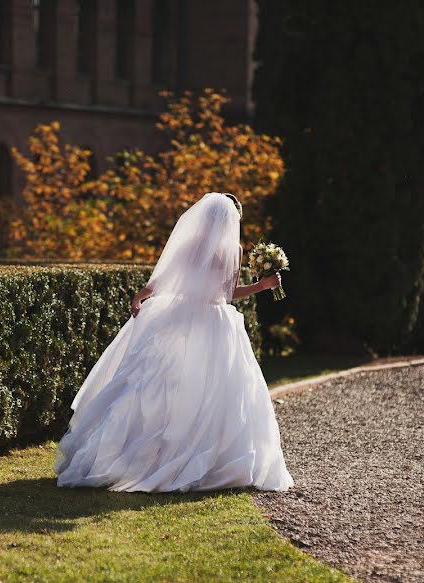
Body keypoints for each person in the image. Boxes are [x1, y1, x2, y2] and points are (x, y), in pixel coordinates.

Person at [53, 192, 293, 492]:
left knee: (160, 383)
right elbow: (226, 293)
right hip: (213, 322)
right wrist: (261, 286)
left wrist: (142, 294)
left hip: (179, 316)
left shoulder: (190, 243)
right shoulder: (234, 249)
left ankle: (143, 452)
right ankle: (204, 456)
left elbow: (165, 278)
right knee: (208, 389)